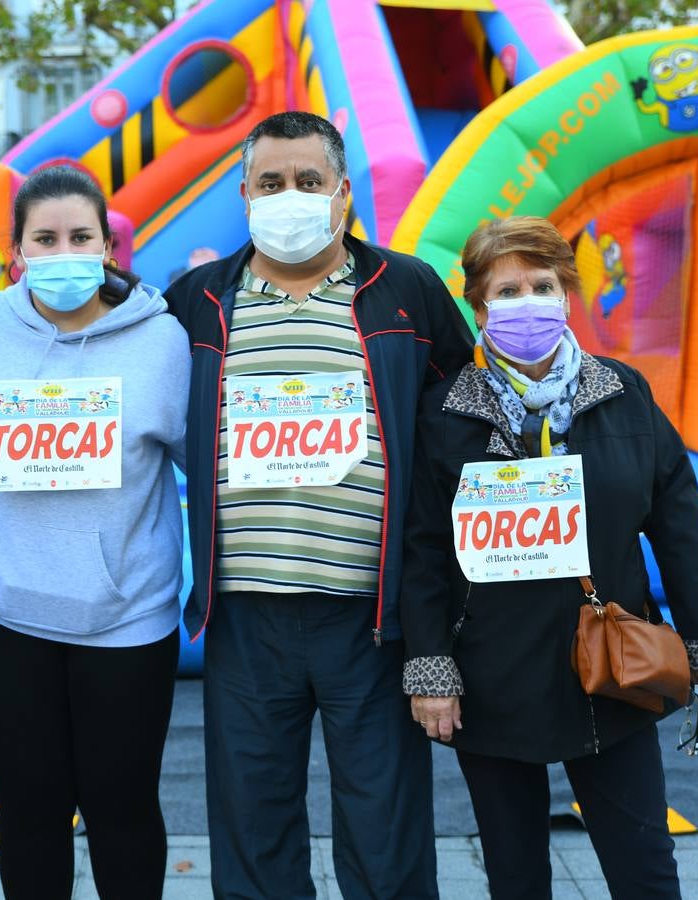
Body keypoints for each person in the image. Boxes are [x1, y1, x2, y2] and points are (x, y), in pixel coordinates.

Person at [164, 111, 472, 899]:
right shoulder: (197, 300)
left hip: (373, 618)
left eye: (308, 181)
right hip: (244, 618)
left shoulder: (405, 289)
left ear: (343, 192)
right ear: (243, 193)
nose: (290, 195)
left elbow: (465, 425)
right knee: (253, 831)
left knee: (386, 833)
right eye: (271, 182)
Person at [400, 215, 698, 900]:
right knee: (516, 874)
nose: (528, 302)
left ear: (567, 293)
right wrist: (431, 668)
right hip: (492, 673)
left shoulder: (623, 393)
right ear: (478, 306)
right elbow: (424, 552)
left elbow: (678, 525)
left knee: (645, 867)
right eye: (508, 290)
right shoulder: (443, 414)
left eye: (543, 284)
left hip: (611, 669)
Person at [0, 165, 190, 900]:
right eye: (44, 239)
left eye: (81, 236)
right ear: (16, 251)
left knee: (124, 810)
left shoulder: (163, 340)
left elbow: (202, 468)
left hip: (128, 619)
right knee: (28, 812)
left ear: (108, 247)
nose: (63, 251)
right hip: (1, 613)